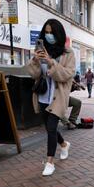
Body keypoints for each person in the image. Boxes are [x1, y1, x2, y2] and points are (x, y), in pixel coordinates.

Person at [26, 19, 75, 176]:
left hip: (58, 96)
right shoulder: (41, 50)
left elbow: (67, 75)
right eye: (46, 33)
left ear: (58, 34)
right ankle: (64, 144)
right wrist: (35, 60)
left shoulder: (68, 53)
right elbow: (34, 74)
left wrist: (51, 62)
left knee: (52, 127)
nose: (48, 36)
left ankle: (50, 162)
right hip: (42, 96)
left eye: (51, 33)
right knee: (49, 128)